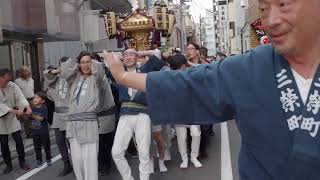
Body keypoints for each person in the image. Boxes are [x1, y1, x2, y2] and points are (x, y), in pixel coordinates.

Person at [103, 0, 320, 179]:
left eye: (284, 5)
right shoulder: (251, 67)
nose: (271, 21)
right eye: (264, 9)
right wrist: (123, 76)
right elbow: (189, 84)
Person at [111, 48, 166, 180]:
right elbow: (107, 67)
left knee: (143, 152)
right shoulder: (119, 73)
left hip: (143, 114)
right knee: (116, 152)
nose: (128, 57)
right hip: (125, 114)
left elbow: (158, 58)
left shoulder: (145, 71)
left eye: (131, 55)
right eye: (125, 55)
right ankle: (128, 178)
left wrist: (142, 53)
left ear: (137, 58)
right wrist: (118, 57)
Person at [60, 51, 105, 180]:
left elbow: (99, 69)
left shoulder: (97, 79)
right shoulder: (74, 79)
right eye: (83, 62)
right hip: (73, 124)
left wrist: (91, 58)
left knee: (89, 159)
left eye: (88, 62)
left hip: (89, 123)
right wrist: (76, 60)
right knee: (77, 159)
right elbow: (65, 70)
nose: (86, 65)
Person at [43, 57, 73, 176]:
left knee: (72, 142)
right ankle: (66, 164)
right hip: (57, 115)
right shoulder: (55, 79)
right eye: (61, 65)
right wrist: (59, 71)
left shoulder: (73, 77)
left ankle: (76, 163)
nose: (62, 68)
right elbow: (46, 73)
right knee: (60, 142)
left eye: (65, 65)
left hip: (70, 114)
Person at [0, 68, 31, 174]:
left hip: (13, 118)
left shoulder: (12, 85)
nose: (8, 81)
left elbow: (20, 97)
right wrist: (15, 111)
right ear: (1, 77)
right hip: (1, 119)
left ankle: (22, 162)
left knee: (18, 140)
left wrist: (27, 106)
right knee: (4, 143)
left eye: (9, 79)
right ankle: (8, 165)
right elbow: (0, 106)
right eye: (6, 79)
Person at [93, 53, 117, 176]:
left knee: (106, 142)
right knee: (99, 143)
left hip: (105, 115)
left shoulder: (102, 78)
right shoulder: (87, 79)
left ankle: (106, 166)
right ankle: (102, 165)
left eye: (91, 62)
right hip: (94, 116)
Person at [29, 92, 52, 167]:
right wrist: (25, 114)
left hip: (43, 132)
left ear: (42, 101)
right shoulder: (31, 108)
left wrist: (31, 115)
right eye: (34, 98)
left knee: (46, 146)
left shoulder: (44, 108)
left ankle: (48, 159)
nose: (34, 99)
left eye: (37, 98)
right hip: (35, 131)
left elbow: (41, 119)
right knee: (37, 147)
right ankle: (39, 160)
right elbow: (28, 118)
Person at [15, 66, 34, 138]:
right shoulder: (17, 81)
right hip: (23, 101)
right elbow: (16, 93)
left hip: (32, 100)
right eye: (25, 71)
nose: (27, 72)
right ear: (21, 72)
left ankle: (33, 131)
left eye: (27, 70)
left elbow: (32, 90)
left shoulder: (32, 80)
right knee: (26, 118)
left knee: (32, 116)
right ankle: (28, 133)